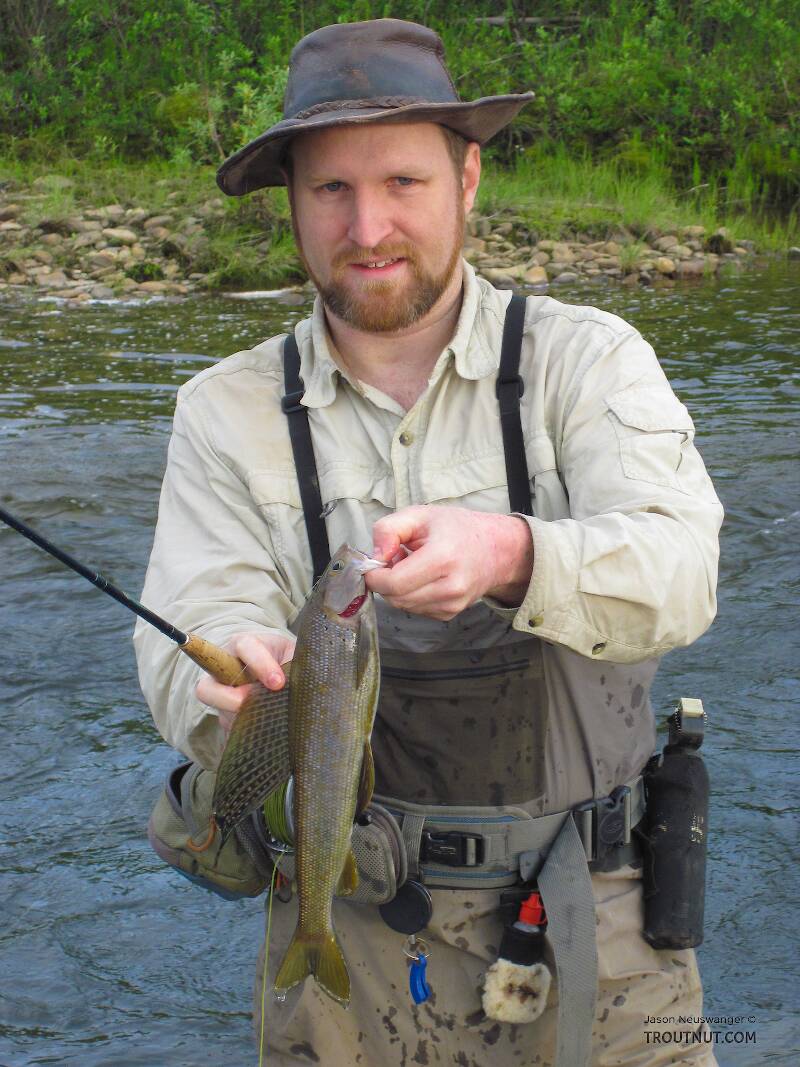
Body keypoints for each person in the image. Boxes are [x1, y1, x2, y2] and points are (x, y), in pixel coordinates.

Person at [135, 18, 723, 1067]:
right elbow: (188, 630)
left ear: (467, 180)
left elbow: (683, 575)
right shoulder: (221, 411)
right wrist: (224, 674)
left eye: (402, 181)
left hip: (605, 926)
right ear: (290, 203)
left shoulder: (588, 361)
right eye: (331, 189)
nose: (368, 226)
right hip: (345, 929)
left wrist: (513, 555)